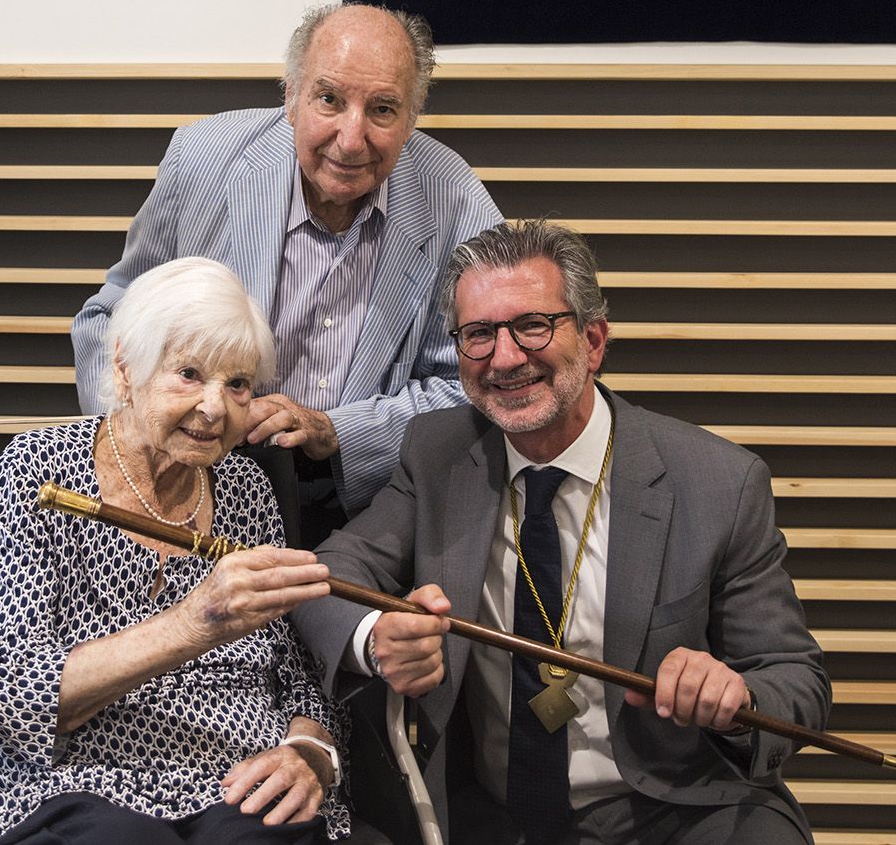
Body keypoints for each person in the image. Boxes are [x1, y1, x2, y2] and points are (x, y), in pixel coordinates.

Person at [294, 221, 829, 844]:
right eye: (478, 335)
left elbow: (795, 679)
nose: (504, 358)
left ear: (594, 340)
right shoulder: (439, 455)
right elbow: (327, 575)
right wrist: (376, 636)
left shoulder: (716, 483)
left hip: (672, 810)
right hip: (487, 814)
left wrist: (734, 694)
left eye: (532, 326)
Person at [72, 2, 503, 544]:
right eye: (329, 99)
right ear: (291, 97)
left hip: (368, 505)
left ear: (411, 119)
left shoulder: (455, 199)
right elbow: (108, 319)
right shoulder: (203, 159)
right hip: (197, 487)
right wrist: (137, 438)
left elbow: (477, 384)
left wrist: (338, 431)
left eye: (383, 110)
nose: (351, 138)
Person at [0, 257, 350, 844]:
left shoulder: (245, 489)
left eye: (237, 384)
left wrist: (310, 751)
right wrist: (195, 622)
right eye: (189, 373)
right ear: (124, 368)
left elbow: (291, 672)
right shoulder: (41, 473)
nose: (216, 408)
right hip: (72, 780)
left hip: (232, 776)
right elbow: (8, 695)